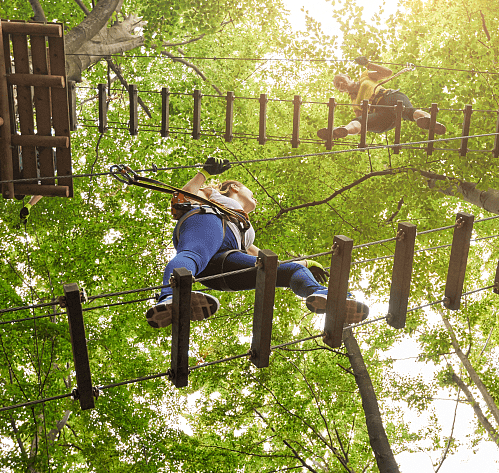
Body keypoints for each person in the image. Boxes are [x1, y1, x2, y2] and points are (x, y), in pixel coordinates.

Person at [147, 157, 368, 328]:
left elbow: (266, 261)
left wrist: (305, 264)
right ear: (234, 187)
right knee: (195, 253)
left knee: (283, 271)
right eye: (250, 191)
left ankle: (324, 295)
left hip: (224, 262)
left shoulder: (246, 231)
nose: (256, 198)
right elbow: (183, 196)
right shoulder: (212, 194)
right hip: (207, 222)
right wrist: (204, 173)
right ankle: (169, 296)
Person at [318, 58, 447, 140]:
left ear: (348, 77)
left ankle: (430, 122)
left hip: (388, 97)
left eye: (341, 80)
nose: (341, 84)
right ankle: (341, 131)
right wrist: (366, 109)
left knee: (408, 111)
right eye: (338, 85)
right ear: (340, 90)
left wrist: (368, 64)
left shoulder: (364, 77)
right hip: (382, 117)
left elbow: (387, 73)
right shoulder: (354, 103)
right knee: (360, 121)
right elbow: (363, 119)